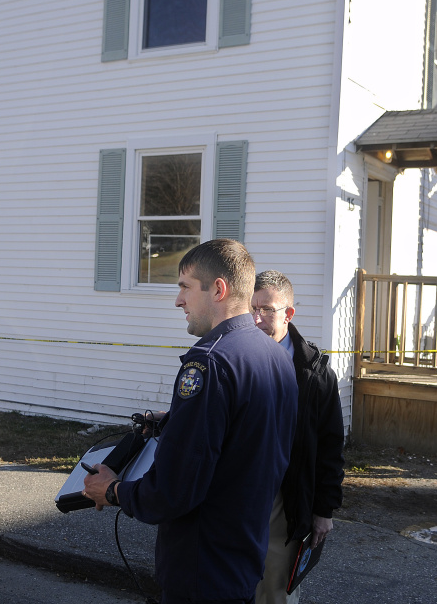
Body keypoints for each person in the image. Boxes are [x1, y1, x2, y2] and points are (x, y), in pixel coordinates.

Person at [84, 239, 297, 604]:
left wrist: (113, 489)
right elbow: (246, 438)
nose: (178, 301)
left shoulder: (209, 363)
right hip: (244, 555)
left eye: (185, 287)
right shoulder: (275, 356)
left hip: (203, 568)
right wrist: (175, 421)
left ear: (218, 289)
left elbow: (175, 490)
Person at [252, 270, 345, 604]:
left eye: (267, 309)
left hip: (286, 500)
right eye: (252, 309)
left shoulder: (315, 373)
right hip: (240, 496)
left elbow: (331, 445)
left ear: (288, 314)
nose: (257, 317)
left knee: (274, 592)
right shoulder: (239, 357)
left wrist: (324, 510)